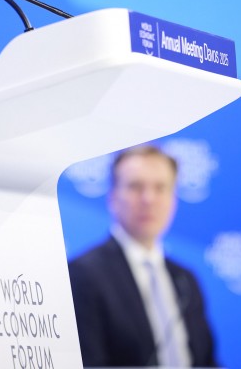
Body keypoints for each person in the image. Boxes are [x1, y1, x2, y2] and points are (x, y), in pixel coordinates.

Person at [69, 145, 218, 367]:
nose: (149, 199)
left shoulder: (185, 280)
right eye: (135, 186)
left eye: (160, 188)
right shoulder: (84, 274)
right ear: (113, 197)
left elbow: (207, 361)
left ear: (173, 199)